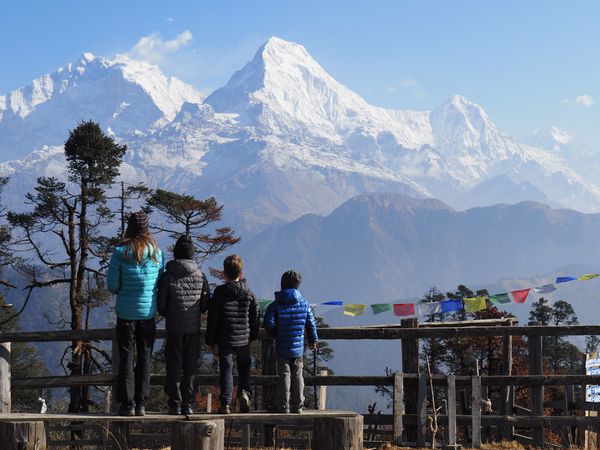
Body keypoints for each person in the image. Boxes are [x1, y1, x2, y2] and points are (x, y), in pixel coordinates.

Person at [107, 211, 164, 416]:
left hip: (125, 314)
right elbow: (158, 282)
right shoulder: (157, 253)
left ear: (129, 228)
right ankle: (141, 403)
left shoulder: (119, 253)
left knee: (126, 359)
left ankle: (128, 404)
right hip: (148, 314)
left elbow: (112, 286)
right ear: (147, 229)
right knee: (145, 359)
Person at [157, 235, 210, 415]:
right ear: (192, 254)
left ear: (175, 253)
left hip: (174, 327)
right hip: (193, 328)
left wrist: (171, 312)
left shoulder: (167, 276)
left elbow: (161, 306)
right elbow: (205, 304)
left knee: (173, 365)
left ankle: (174, 403)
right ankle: (188, 403)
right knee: (190, 366)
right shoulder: (200, 276)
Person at [206, 254, 259, 414]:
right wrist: (253, 335)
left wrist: (210, 340)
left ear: (224, 273)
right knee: (244, 367)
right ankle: (245, 392)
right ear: (241, 273)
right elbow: (255, 317)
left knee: (226, 370)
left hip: (225, 339)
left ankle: (225, 403)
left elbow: (213, 318)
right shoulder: (249, 293)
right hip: (243, 338)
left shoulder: (219, 293)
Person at [263, 270, 318, 414]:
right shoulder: (304, 304)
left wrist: (274, 333)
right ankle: (298, 406)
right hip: (298, 348)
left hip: (282, 346)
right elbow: (311, 324)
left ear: (282, 284)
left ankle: (283, 406)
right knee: (298, 375)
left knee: (284, 375)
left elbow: (268, 323)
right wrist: (313, 340)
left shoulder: (275, 305)